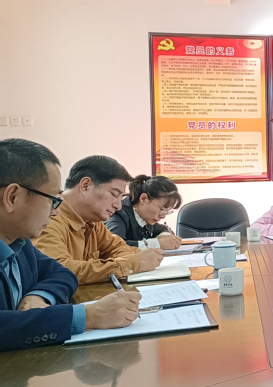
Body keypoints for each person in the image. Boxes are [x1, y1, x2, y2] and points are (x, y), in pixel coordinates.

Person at [0, 139, 141, 351]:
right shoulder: (29, 233)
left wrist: (39, 295)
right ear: (12, 197)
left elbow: (62, 273)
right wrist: (89, 316)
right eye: (52, 199)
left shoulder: (19, 243)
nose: (55, 211)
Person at [33, 155, 163, 284]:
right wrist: (132, 264)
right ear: (86, 185)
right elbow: (59, 270)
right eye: (114, 194)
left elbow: (118, 248)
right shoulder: (48, 220)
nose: (118, 206)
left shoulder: (92, 221)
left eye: (121, 197)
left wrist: (134, 260)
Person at [105, 174, 182, 249]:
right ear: (144, 199)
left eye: (166, 212)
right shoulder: (117, 215)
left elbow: (162, 229)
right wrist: (156, 244)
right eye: (161, 209)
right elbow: (114, 247)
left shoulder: (145, 218)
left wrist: (164, 237)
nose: (162, 216)